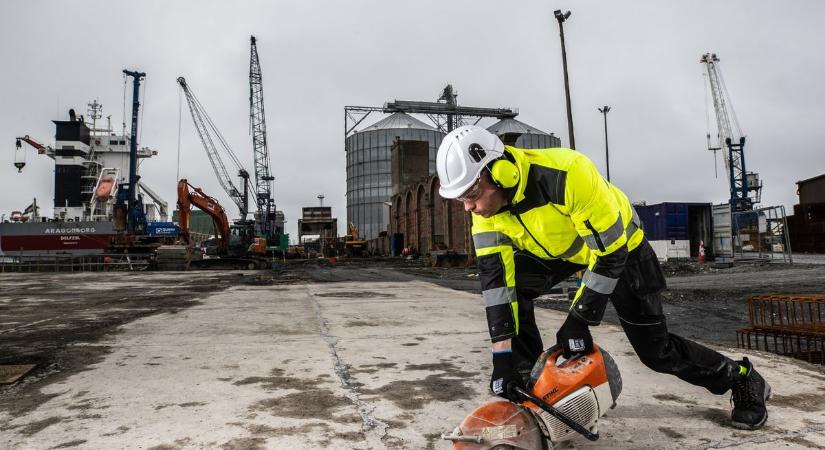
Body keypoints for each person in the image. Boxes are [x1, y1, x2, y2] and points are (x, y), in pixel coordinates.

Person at [435, 125, 771, 430]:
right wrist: (502, 358)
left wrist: (579, 318)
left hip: (622, 249)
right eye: (461, 198)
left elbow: (610, 254)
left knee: (657, 351)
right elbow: (496, 285)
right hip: (564, 250)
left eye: (471, 194)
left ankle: (742, 378)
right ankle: (529, 385)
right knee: (514, 289)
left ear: (502, 173)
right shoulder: (487, 213)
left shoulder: (566, 174)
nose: (468, 207)